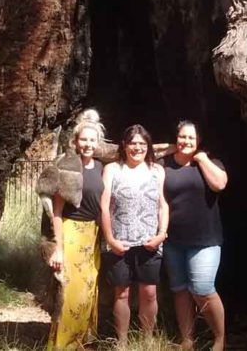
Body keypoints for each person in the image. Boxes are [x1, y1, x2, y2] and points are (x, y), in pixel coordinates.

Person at [162, 121, 228, 351]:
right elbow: (146, 150)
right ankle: (187, 339)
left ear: (198, 141)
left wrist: (201, 159)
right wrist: (170, 148)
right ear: (175, 139)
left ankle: (220, 338)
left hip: (205, 241)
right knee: (180, 290)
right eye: (181, 137)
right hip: (173, 240)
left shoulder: (211, 162)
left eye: (191, 138)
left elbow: (219, 184)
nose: (186, 141)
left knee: (202, 288)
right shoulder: (165, 165)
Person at [100, 124, 169, 343]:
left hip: (149, 242)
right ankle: (122, 342)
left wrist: (161, 234)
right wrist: (110, 239)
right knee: (121, 293)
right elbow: (104, 207)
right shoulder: (112, 169)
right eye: (132, 143)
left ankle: (147, 340)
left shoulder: (157, 171)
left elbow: (162, 205)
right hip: (120, 242)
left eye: (142, 143)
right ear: (124, 145)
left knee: (149, 293)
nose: (137, 148)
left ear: (148, 146)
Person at [47, 109, 107, 349]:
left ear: (98, 142)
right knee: (71, 293)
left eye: (92, 140)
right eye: (84, 139)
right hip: (72, 233)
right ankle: (64, 345)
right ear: (76, 141)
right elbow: (57, 212)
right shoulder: (68, 167)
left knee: (90, 289)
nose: (88, 144)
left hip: (92, 236)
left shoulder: (102, 167)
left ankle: (83, 342)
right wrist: (58, 248)